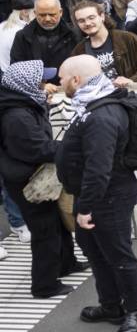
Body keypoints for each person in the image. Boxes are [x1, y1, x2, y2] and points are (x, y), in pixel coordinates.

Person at [56, 55, 137, 331]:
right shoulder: (90, 103)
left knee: (119, 256)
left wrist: (85, 209)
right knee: (96, 253)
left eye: (61, 79)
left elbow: (99, 168)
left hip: (108, 197)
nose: (58, 84)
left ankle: (134, 311)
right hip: (94, 194)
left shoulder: (101, 116)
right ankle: (111, 306)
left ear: (75, 80)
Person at [0, 60, 83, 296]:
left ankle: (67, 264)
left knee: (56, 222)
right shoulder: (16, 116)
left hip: (33, 175)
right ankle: (44, 285)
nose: (47, 84)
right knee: (45, 230)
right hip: (28, 181)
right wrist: (72, 147)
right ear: (25, 84)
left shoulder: (23, 104)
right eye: (42, 80)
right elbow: (38, 149)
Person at [71, 0, 137, 87]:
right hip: (97, 99)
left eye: (91, 17)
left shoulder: (128, 40)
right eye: (81, 21)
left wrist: (131, 81)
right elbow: (72, 82)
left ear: (102, 16)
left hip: (129, 97)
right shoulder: (78, 52)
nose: (87, 23)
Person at [10, 0, 77, 84]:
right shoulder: (22, 36)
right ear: (35, 13)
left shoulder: (74, 35)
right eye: (42, 15)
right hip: (34, 91)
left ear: (60, 12)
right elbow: (16, 69)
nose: (47, 19)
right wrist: (40, 86)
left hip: (68, 89)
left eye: (52, 15)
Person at [0, 0, 35, 71]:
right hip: (15, 76)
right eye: (35, 12)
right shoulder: (22, 33)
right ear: (25, 12)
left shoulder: (2, 25)